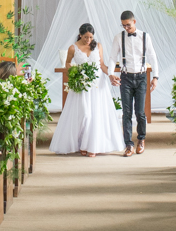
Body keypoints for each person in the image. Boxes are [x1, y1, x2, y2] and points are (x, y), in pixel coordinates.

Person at [51, 23, 124, 157]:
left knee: (96, 115)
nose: (88, 40)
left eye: (91, 37)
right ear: (80, 35)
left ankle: (92, 146)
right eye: (86, 37)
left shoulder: (98, 46)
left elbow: (101, 65)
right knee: (84, 114)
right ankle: (81, 144)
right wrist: (74, 73)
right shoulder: (73, 47)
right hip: (82, 84)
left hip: (98, 84)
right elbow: (67, 63)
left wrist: (111, 75)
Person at [108, 11, 160, 156]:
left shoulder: (145, 36)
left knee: (140, 112)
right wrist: (111, 73)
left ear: (134, 22)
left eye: (128, 25)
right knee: (126, 112)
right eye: (123, 25)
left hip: (142, 77)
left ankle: (141, 139)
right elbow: (112, 57)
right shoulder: (119, 38)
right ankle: (128, 145)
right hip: (125, 77)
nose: (126, 28)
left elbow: (153, 57)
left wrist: (155, 77)